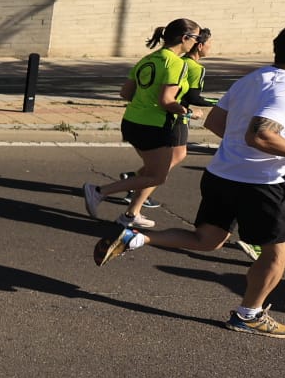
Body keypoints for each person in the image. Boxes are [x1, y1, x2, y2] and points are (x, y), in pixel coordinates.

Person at [95, 20, 285, 339]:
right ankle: (248, 315)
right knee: (279, 251)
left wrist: (241, 147)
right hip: (260, 184)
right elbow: (261, 135)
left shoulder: (252, 79)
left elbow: (216, 121)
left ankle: (135, 238)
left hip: (221, 175)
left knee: (207, 240)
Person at [81, 20, 201, 229]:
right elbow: (167, 101)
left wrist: (146, 101)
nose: (197, 43)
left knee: (150, 170)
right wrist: (189, 112)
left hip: (132, 122)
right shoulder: (176, 63)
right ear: (185, 38)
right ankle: (99, 191)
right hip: (153, 127)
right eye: (197, 38)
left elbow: (125, 93)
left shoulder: (149, 59)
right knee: (157, 176)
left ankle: (131, 214)